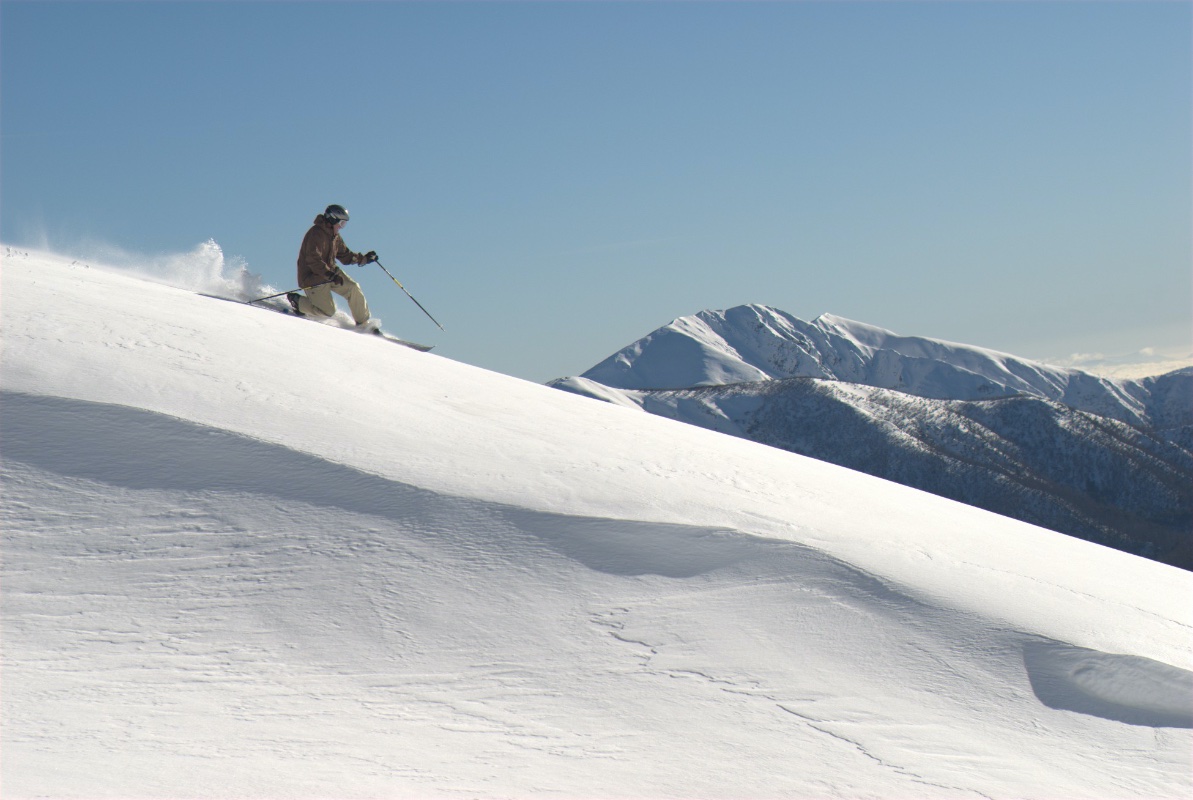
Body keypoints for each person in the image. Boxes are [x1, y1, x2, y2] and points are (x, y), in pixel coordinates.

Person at [288, 204, 379, 327]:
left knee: (353, 288)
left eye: (344, 224)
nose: (342, 227)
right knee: (327, 312)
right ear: (332, 220)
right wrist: (330, 274)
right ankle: (298, 302)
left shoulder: (334, 237)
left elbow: (345, 255)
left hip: (331, 273)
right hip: (313, 278)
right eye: (341, 223)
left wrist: (364, 259)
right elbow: (313, 260)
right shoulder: (315, 234)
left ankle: (363, 324)